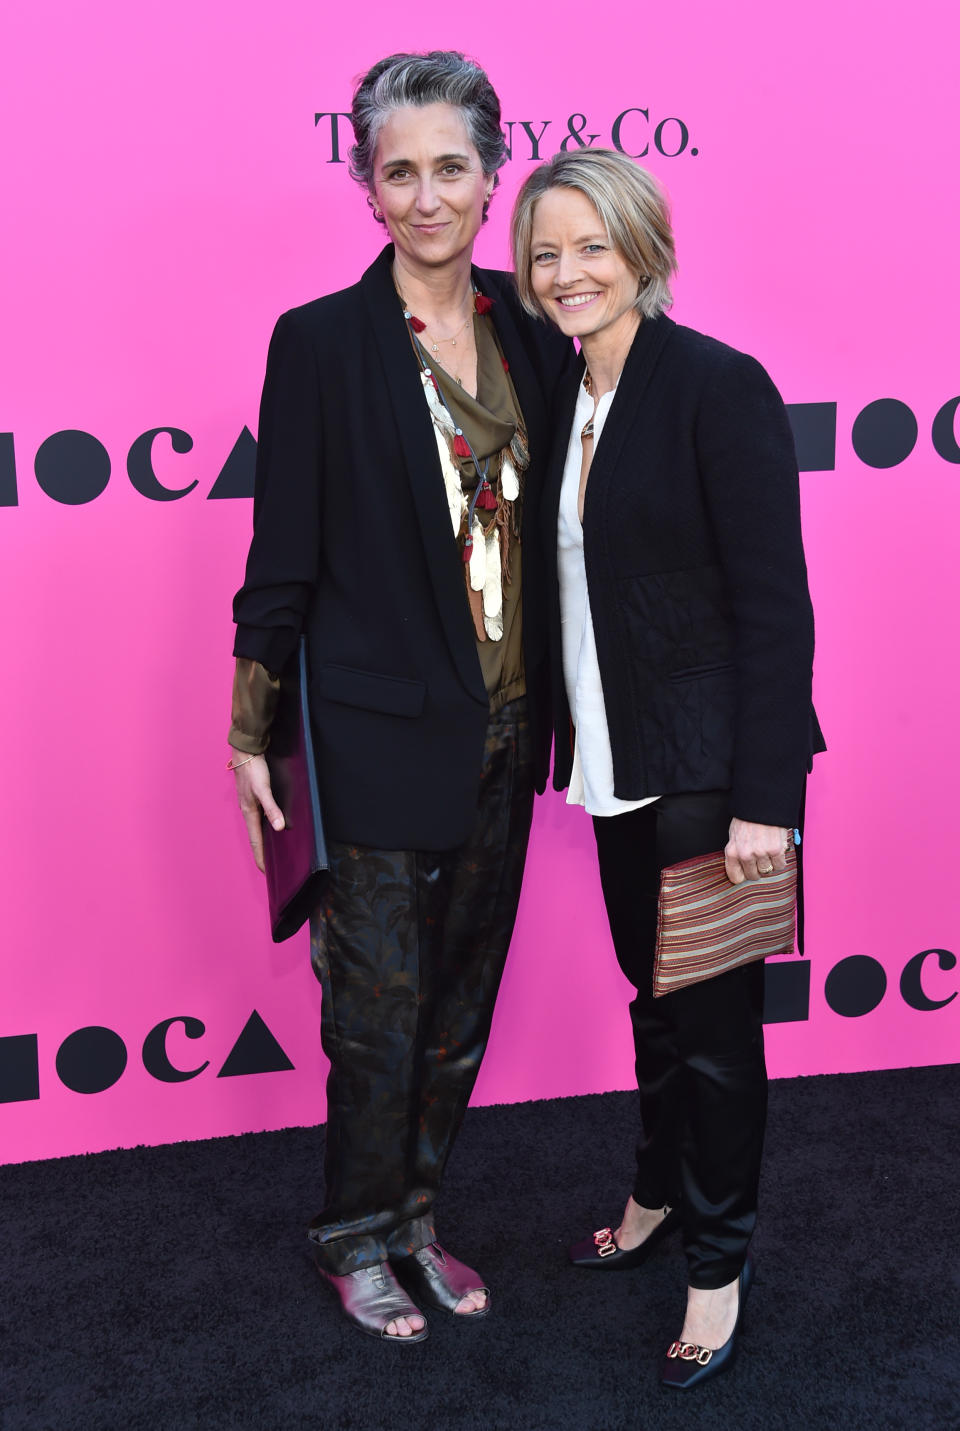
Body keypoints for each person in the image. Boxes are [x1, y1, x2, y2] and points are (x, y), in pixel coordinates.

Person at [228, 52, 570, 1343]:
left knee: (458, 1001)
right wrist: (251, 722)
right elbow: (284, 555)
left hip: (503, 721)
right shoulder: (319, 343)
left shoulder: (533, 335)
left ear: (493, 177)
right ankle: (353, 1235)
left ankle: (418, 1215)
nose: (426, 195)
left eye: (450, 168)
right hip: (372, 734)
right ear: (366, 188)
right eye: (398, 171)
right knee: (374, 1009)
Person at [511, 150, 823, 1388]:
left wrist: (767, 804)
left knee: (714, 1034)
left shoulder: (716, 385)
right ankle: (651, 1196)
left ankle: (718, 1263)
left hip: (710, 779)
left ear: (644, 246)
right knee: (654, 1000)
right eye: (546, 253)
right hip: (613, 757)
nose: (568, 271)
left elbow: (774, 609)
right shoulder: (564, 391)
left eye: (592, 244)